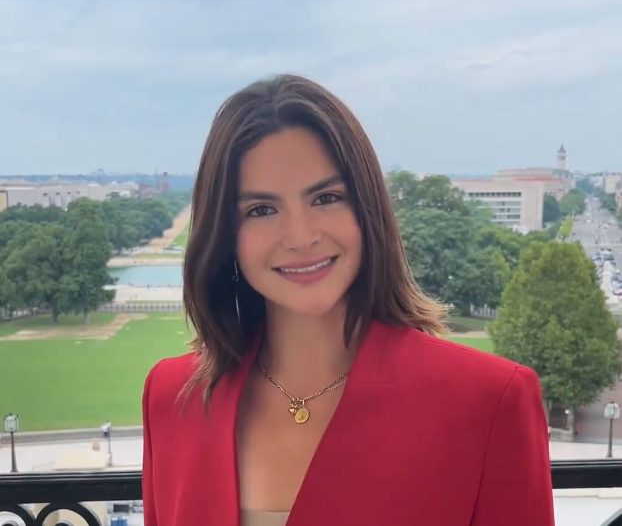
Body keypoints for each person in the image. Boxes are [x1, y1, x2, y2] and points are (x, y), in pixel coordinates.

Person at [142, 74, 554, 526]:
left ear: (367, 209)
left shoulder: (488, 402)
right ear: (226, 235)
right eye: (261, 210)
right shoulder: (172, 397)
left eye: (326, 197)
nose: (300, 237)